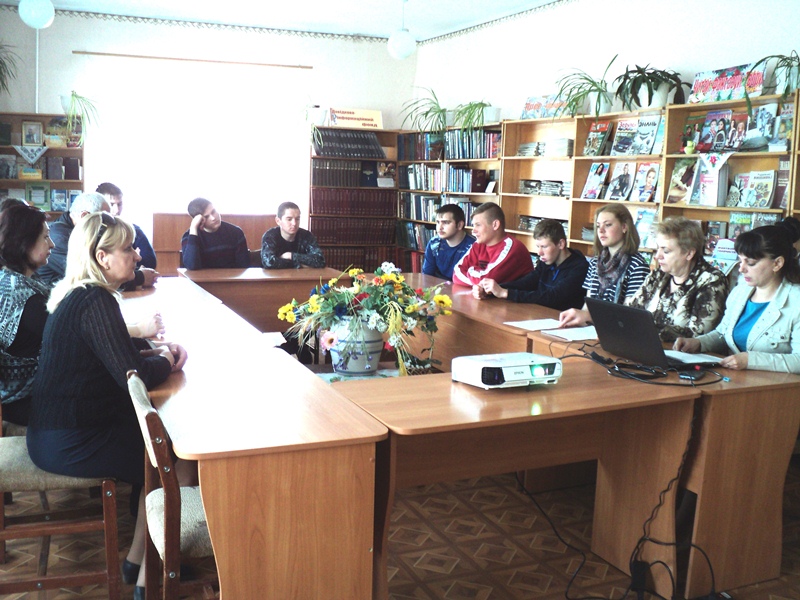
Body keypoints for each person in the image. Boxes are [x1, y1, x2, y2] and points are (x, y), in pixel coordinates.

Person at [26, 212, 191, 597]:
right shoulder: (95, 300)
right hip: (69, 442)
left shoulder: (80, 294)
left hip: (57, 433)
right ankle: (150, 577)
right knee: (176, 458)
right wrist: (167, 359)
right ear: (102, 257)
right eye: (128, 248)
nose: (137, 255)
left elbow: (114, 351)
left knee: (159, 450)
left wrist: (156, 350)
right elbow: (133, 375)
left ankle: (136, 560)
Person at [675, 226, 800, 373]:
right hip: (736, 380)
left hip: (776, 386)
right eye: (740, 261)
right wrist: (698, 343)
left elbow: (798, 360)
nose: (741, 269)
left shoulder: (796, 301)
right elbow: (722, 334)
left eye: (750, 263)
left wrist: (750, 360)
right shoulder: (740, 292)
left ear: (777, 263)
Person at [627, 217, 728, 342]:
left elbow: (698, 335)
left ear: (689, 253)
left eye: (666, 251)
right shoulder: (658, 275)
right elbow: (630, 312)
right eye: (658, 249)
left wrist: (645, 329)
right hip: (645, 345)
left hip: (681, 352)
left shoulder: (712, 280)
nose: (657, 256)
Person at [0, 204, 54, 426]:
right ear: (24, 242)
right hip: (25, 403)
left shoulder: (12, 279)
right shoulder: (26, 299)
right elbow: (74, 337)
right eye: (45, 237)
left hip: (23, 397)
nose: (52, 244)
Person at [559, 204, 649, 327]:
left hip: (617, 332)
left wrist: (588, 317)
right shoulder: (595, 262)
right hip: (591, 329)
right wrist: (577, 318)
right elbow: (587, 307)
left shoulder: (637, 266)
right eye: (598, 226)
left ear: (624, 227)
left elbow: (628, 317)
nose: (600, 230)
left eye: (608, 225)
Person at [475, 218, 588, 311]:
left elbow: (553, 297)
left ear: (561, 244)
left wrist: (505, 293)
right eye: (538, 247)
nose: (539, 252)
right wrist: (491, 290)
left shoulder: (579, 267)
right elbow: (525, 283)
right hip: (541, 315)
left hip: (564, 322)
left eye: (544, 247)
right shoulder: (547, 262)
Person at [452, 202, 533, 288]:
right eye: (473, 225)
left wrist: (470, 270)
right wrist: (478, 282)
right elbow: (456, 274)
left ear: (495, 225)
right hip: (489, 296)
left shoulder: (512, 248)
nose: (473, 231)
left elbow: (487, 280)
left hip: (515, 296)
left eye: (478, 225)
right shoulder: (479, 244)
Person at [35, 192, 110, 286]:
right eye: (104, 220)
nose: (108, 226)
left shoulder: (80, 231)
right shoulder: (59, 238)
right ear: (84, 216)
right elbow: (89, 275)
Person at [95, 182, 158, 291]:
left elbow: (150, 261)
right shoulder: (91, 234)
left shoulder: (133, 230)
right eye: (111, 204)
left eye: (119, 204)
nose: (116, 210)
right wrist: (138, 274)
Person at [181, 198, 249, 269]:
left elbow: (243, 266)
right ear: (199, 220)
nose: (213, 218)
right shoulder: (188, 237)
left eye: (213, 211)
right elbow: (191, 266)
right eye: (206, 217)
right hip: (203, 276)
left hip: (231, 276)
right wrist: (193, 228)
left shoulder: (236, 232)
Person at [261, 201, 325, 269]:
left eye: (297, 219)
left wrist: (291, 256)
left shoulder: (307, 236)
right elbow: (269, 262)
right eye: (289, 219)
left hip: (302, 275)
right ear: (278, 221)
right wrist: (298, 265)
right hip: (276, 275)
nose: (294, 223)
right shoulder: (270, 236)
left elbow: (320, 260)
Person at [422, 204, 475, 280]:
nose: (440, 227)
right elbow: (427, 275)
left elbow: (473, 280)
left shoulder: (474, 247)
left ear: (459, 225)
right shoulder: (434, 243)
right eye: (438, 222)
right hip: (437, 286)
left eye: (446, 222)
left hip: (462, 286)